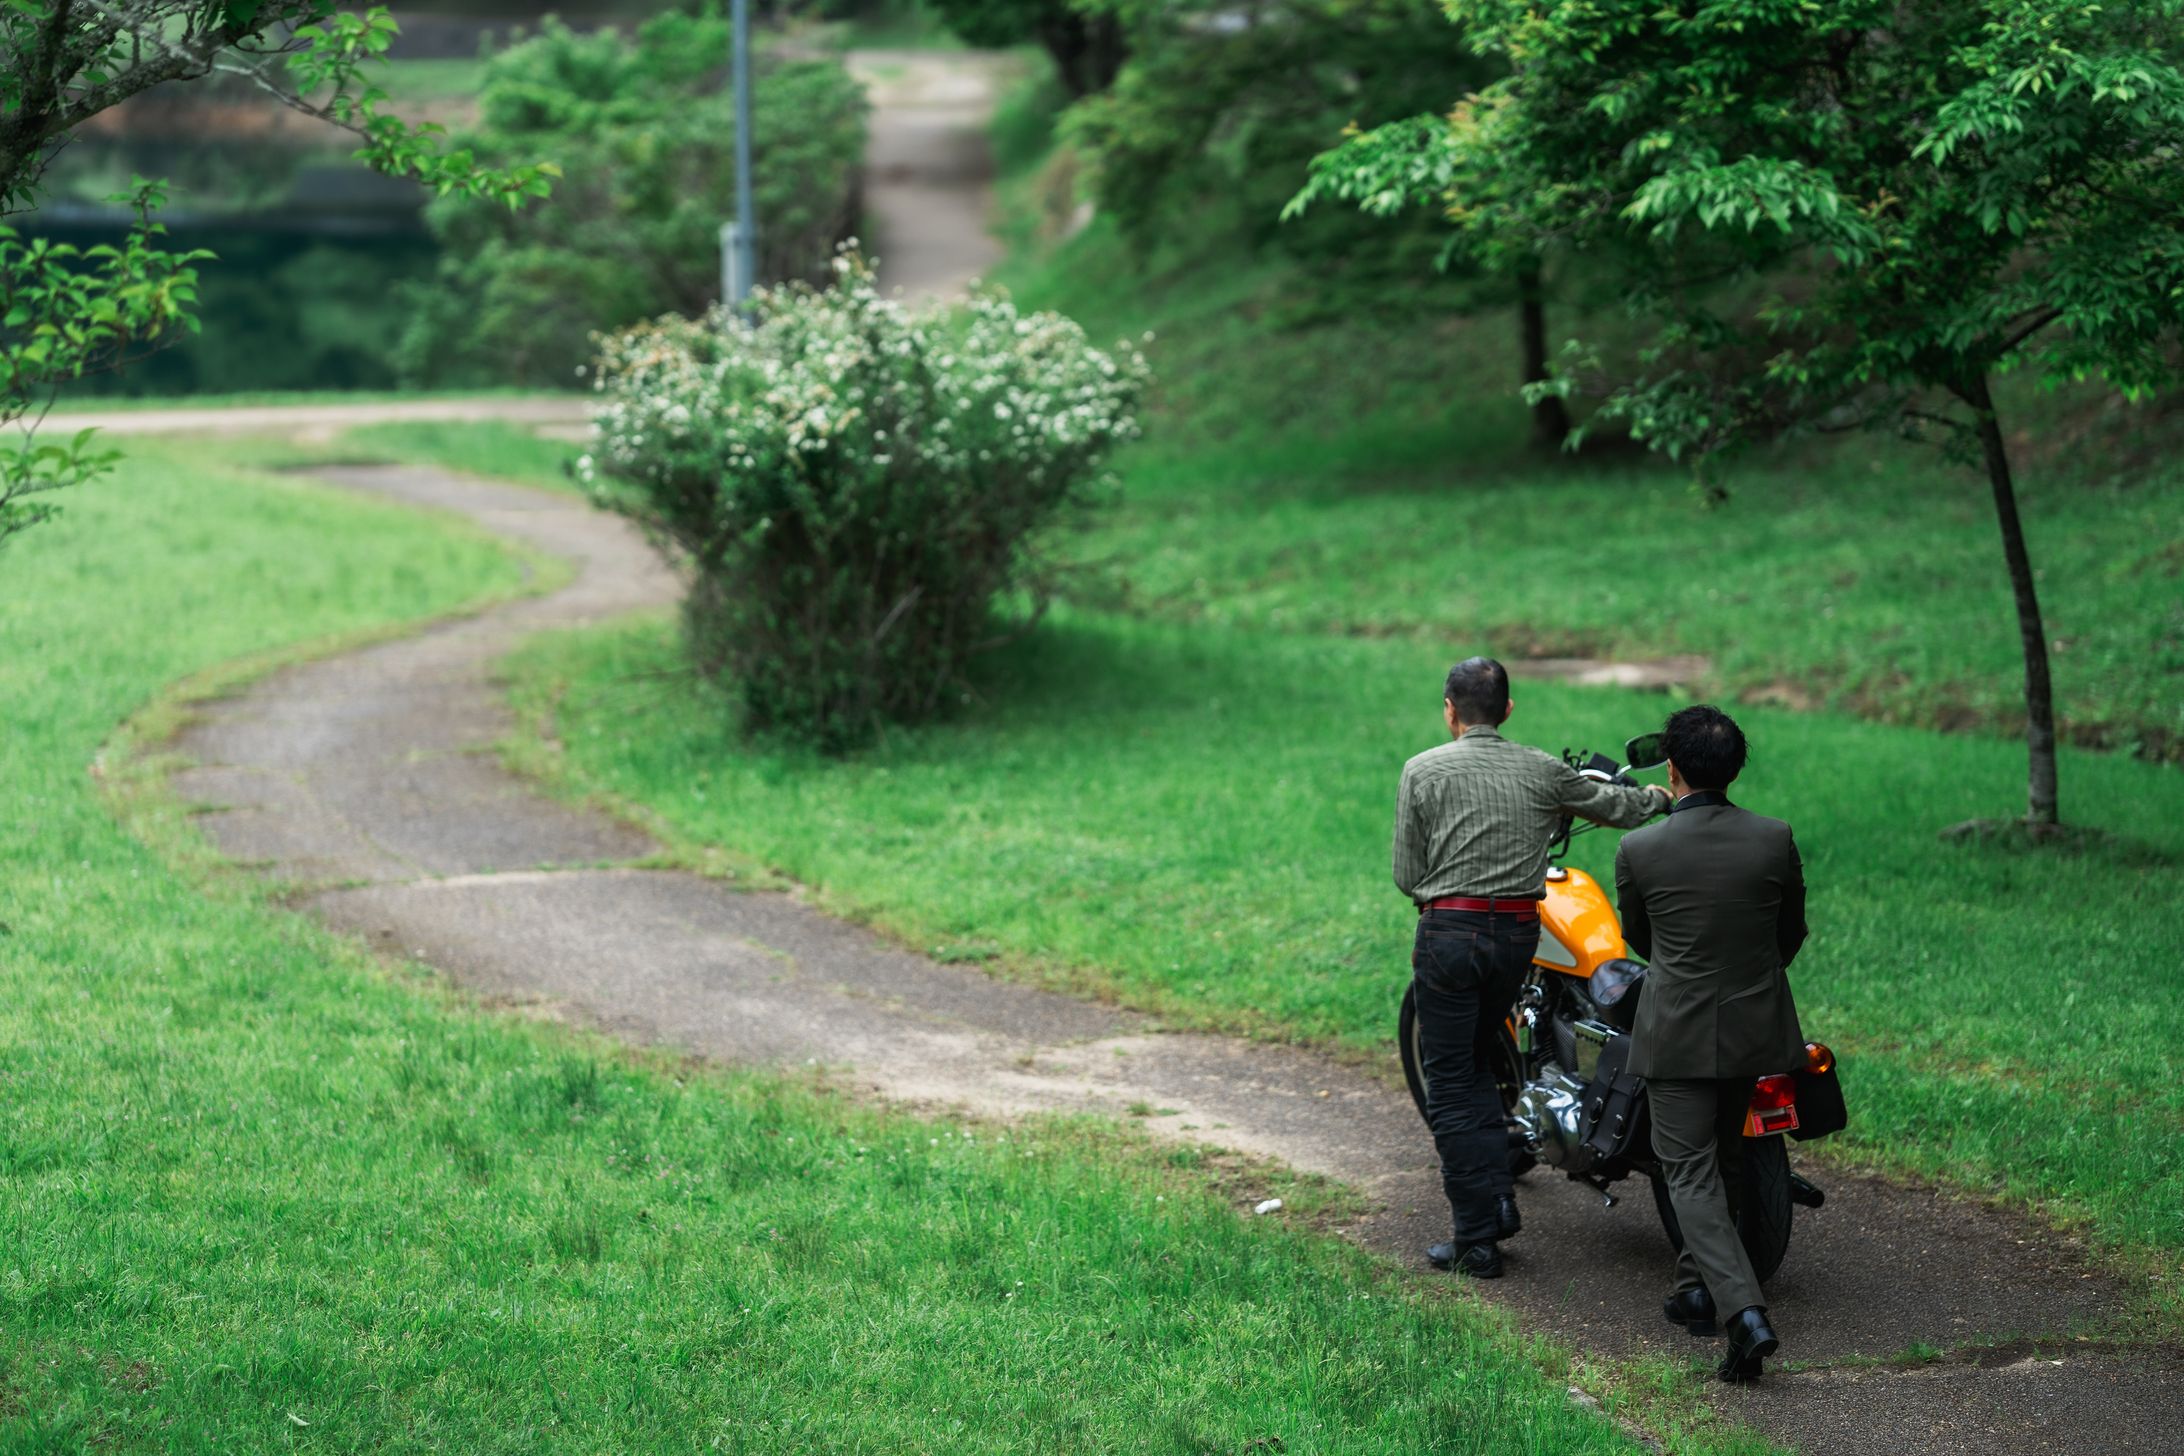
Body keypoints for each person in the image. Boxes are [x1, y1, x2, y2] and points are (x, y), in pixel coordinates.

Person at [1393, 656, 1670, 1279]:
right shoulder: (1542, 768)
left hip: (1449, 936)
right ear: (1508, 710)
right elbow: (1619, 807)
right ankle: (1495, 1201)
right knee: (1479, 1058)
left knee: (1454, 1078)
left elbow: (1406, 875)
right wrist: (1660, 793)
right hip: (1517, 937)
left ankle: (1477, 1238)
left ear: (1450, 711)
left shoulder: (1421, 771)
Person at [1614, 704, 1808, 1382]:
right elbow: (1792, 932)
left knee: (1688, 1171)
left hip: (1679, 1031)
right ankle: (1697, 1288)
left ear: (1672, 768)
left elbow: (1640, 938)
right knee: (1723, 1159)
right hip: (1756, 1028)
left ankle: (1742, 1311)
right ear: (1736, 767)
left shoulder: (1641, 848)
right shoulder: (1773, 837)